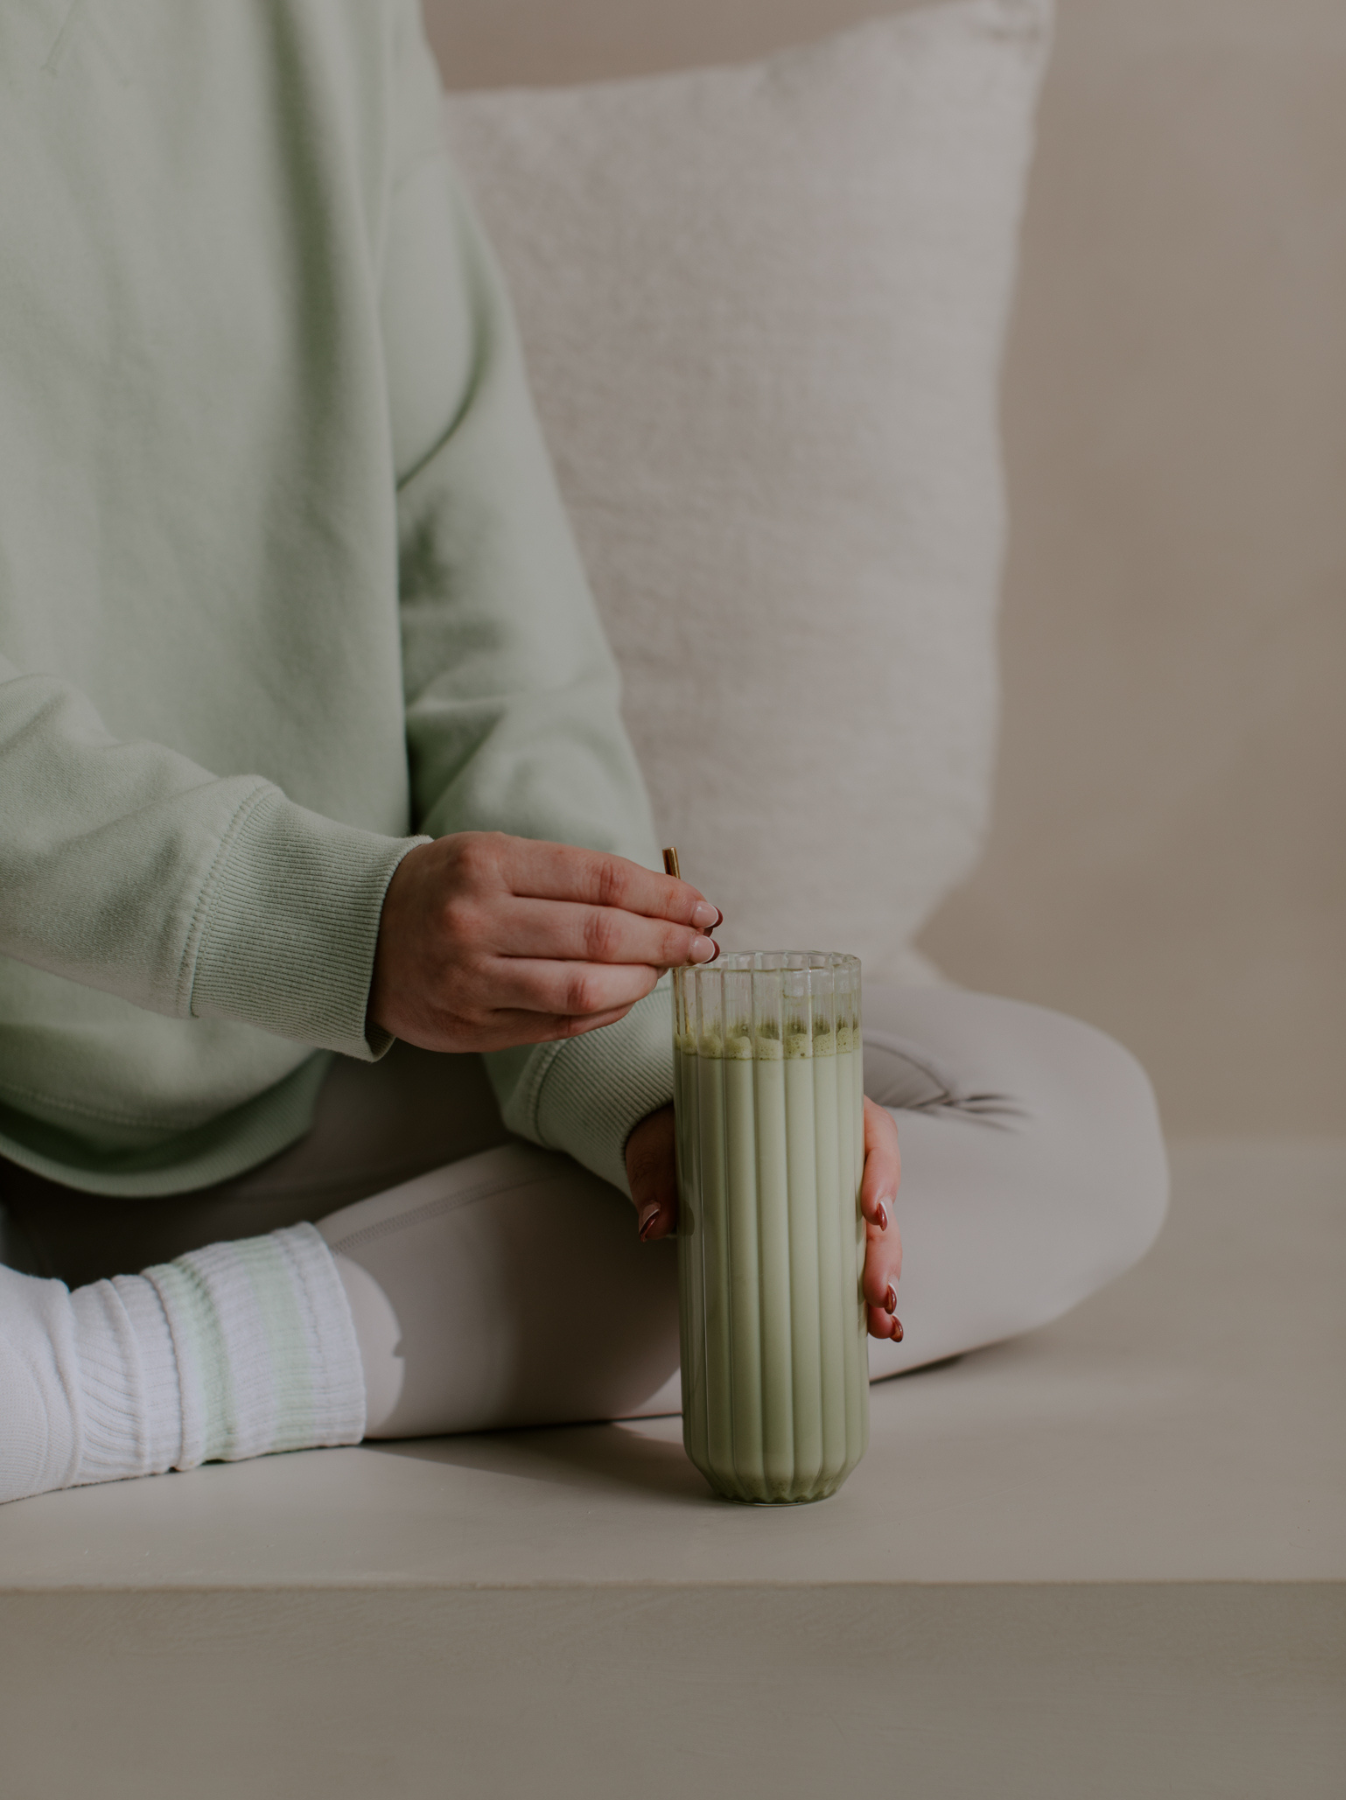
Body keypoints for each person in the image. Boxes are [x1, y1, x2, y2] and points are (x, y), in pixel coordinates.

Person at [0, 2, 1168, 1505]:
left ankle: (94, 1382)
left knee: (1063, 1125)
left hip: (321, 1076)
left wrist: (634, 1074)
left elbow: (489, 610)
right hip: (157, 1040)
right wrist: (337, 925)